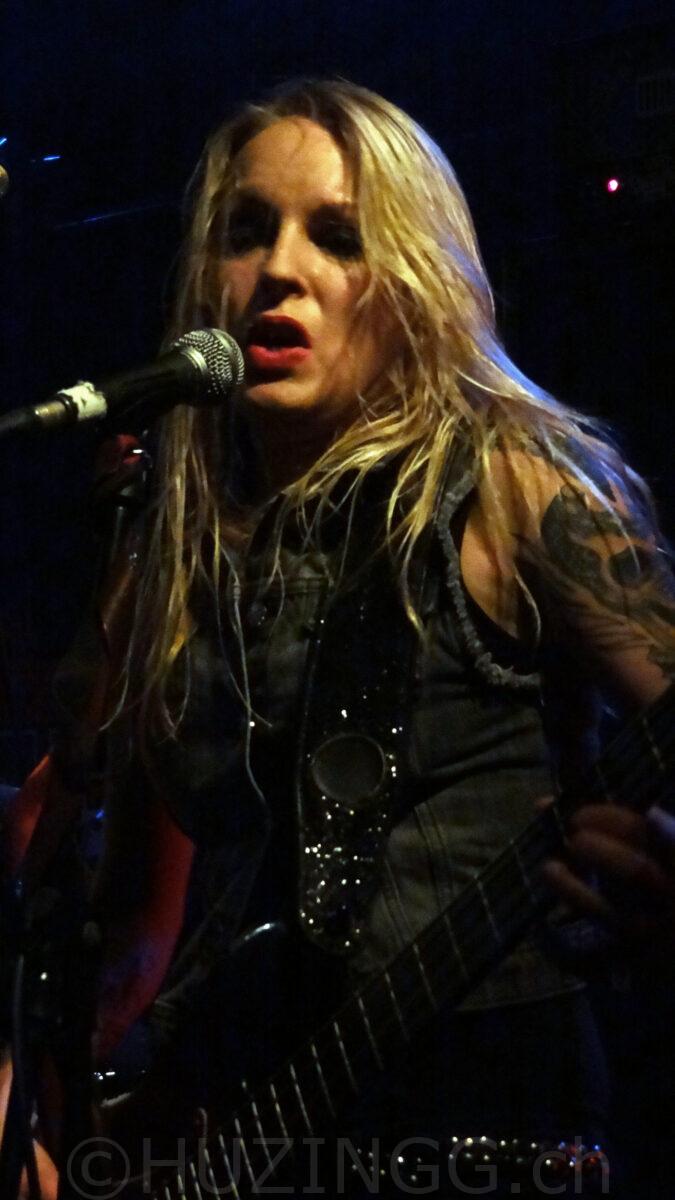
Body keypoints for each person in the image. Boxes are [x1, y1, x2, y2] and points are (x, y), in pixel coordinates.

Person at [1, 78, 674, 1198]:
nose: (280, 270)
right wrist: (34, 1099)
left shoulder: (512, 486)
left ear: (414, 277)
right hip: (248, 1136)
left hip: (483, 1138)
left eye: (338, 236)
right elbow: (135, 927)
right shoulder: (177, 552)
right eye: (246, 231)